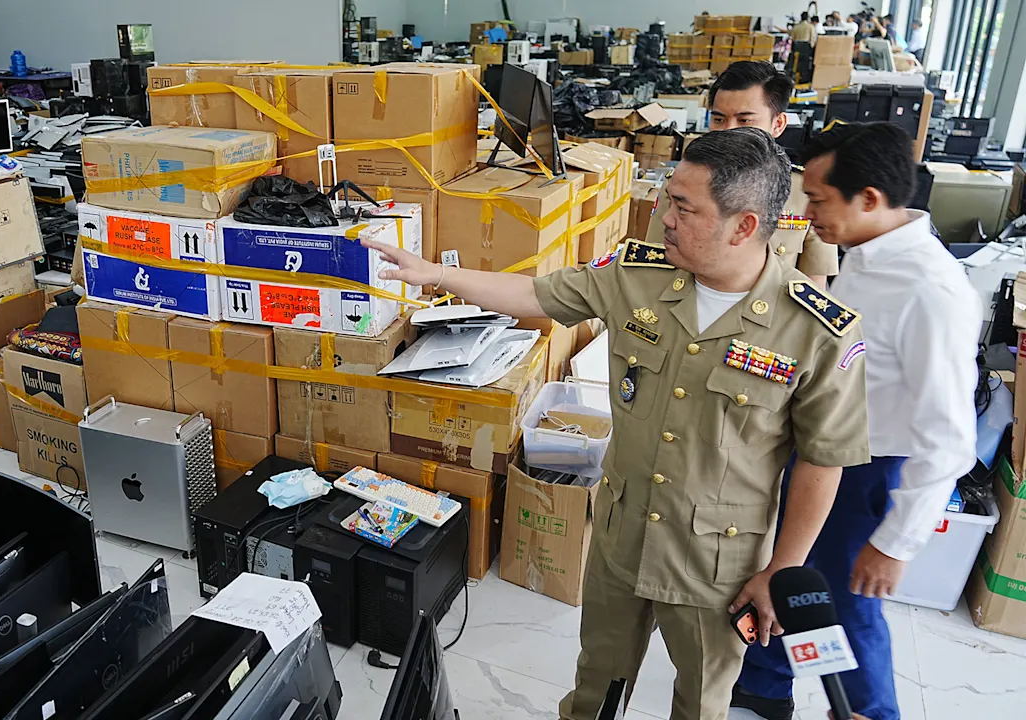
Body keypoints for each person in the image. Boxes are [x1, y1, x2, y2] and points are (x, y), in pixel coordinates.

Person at [362, 128, 872, 720]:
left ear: (744, 226)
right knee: (595, 685)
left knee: (702, 699)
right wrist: (435, 274)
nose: (665, 218)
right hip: (622, 537)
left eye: (684, 207)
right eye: (669, 200)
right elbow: (536, 295)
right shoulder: (639, 276)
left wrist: (782, 569)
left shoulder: (816, 331)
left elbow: (823, 460)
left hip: (717, 565)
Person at [732, 123, 980, 720]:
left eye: (819, 200)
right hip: (824, 449)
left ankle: (872, 712)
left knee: (847, 605)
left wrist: (895, 544)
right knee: (786, 572)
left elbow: (949, 440)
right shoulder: (869, 253)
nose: (808, 213)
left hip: (868, 471)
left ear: (868, 197)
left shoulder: (931, 291)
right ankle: (763, 688)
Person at [647, 61, 840, 288]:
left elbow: (814, 285)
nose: (729, 132)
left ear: (778, 124)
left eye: (745, 121)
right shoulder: (679, 185)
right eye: (719, 119)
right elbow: (653, 265)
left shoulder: (806, 193)